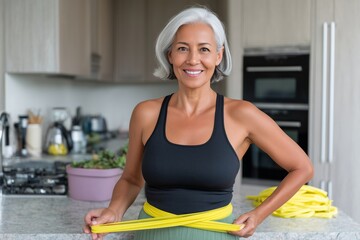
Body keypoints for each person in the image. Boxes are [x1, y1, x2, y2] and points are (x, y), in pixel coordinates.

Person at [83, 6, 313, 240]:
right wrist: (114, 210)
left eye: (204, 49)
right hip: (151, 234)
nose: (193, 60)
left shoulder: (242, 115)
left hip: (216, 234)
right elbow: (131, 179)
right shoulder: (146, 113)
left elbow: (302, 168)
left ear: (218, 56)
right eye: (183, 49)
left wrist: (259, 214)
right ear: (170, 55)